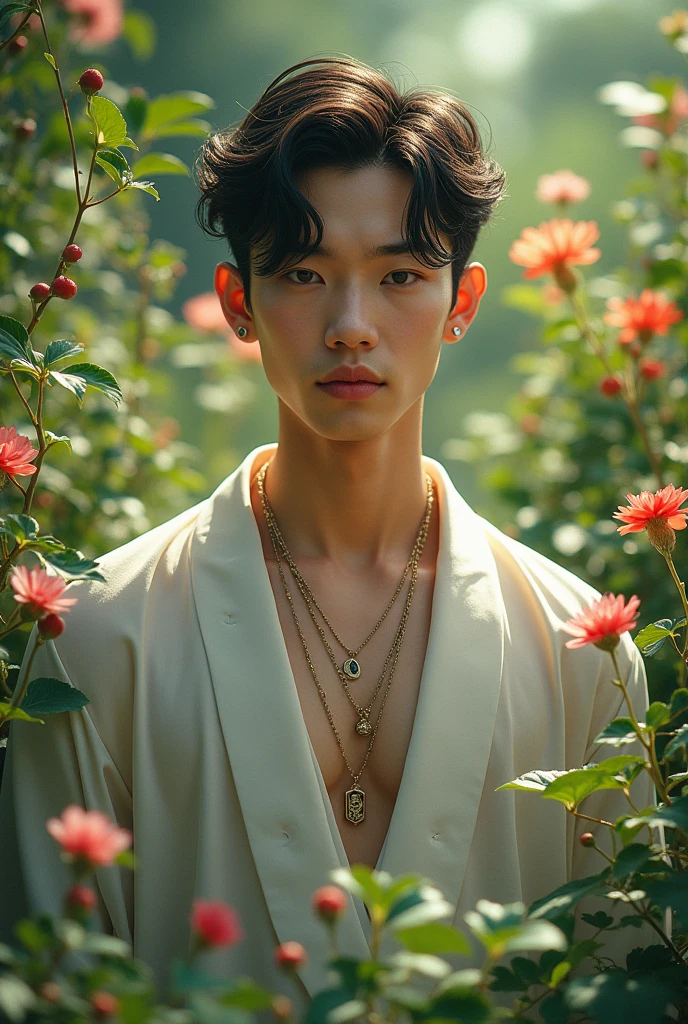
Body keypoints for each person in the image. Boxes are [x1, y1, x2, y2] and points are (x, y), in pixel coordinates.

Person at [0, 56, 654, 1007]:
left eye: (400, 274)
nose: (351, 325)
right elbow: (44, 988)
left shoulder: (582, 654)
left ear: (460, 304)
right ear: (240, 302)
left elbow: (626, 981)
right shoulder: (99, 639)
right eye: (304, 273)